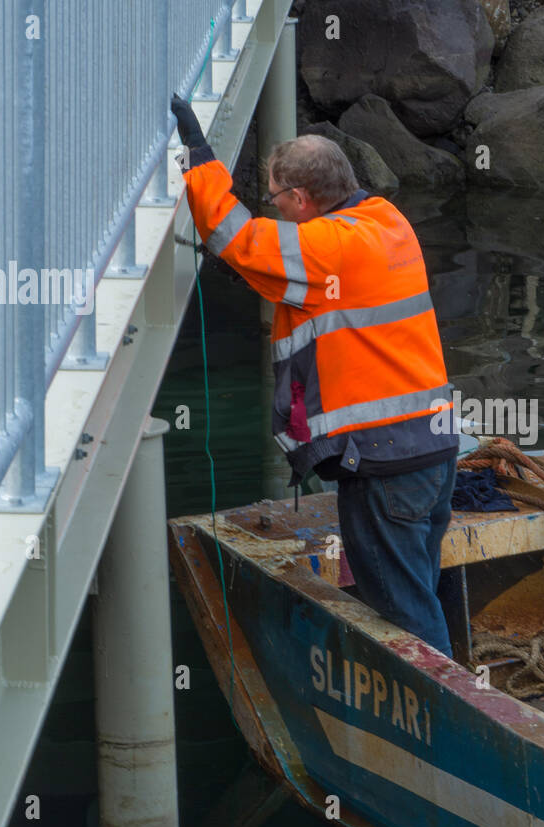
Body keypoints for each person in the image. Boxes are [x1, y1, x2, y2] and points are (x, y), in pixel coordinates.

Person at [170, 94, 459, 657]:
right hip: (433, 448)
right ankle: (456, 684)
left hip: (384, 461)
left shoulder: (324, 248)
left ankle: (448, 713)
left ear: (300, 199)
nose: (272, 207)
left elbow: (236, 238)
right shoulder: (388, 221)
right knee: (419, 589)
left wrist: (199, 156)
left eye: (275, 197)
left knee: (402, 615)